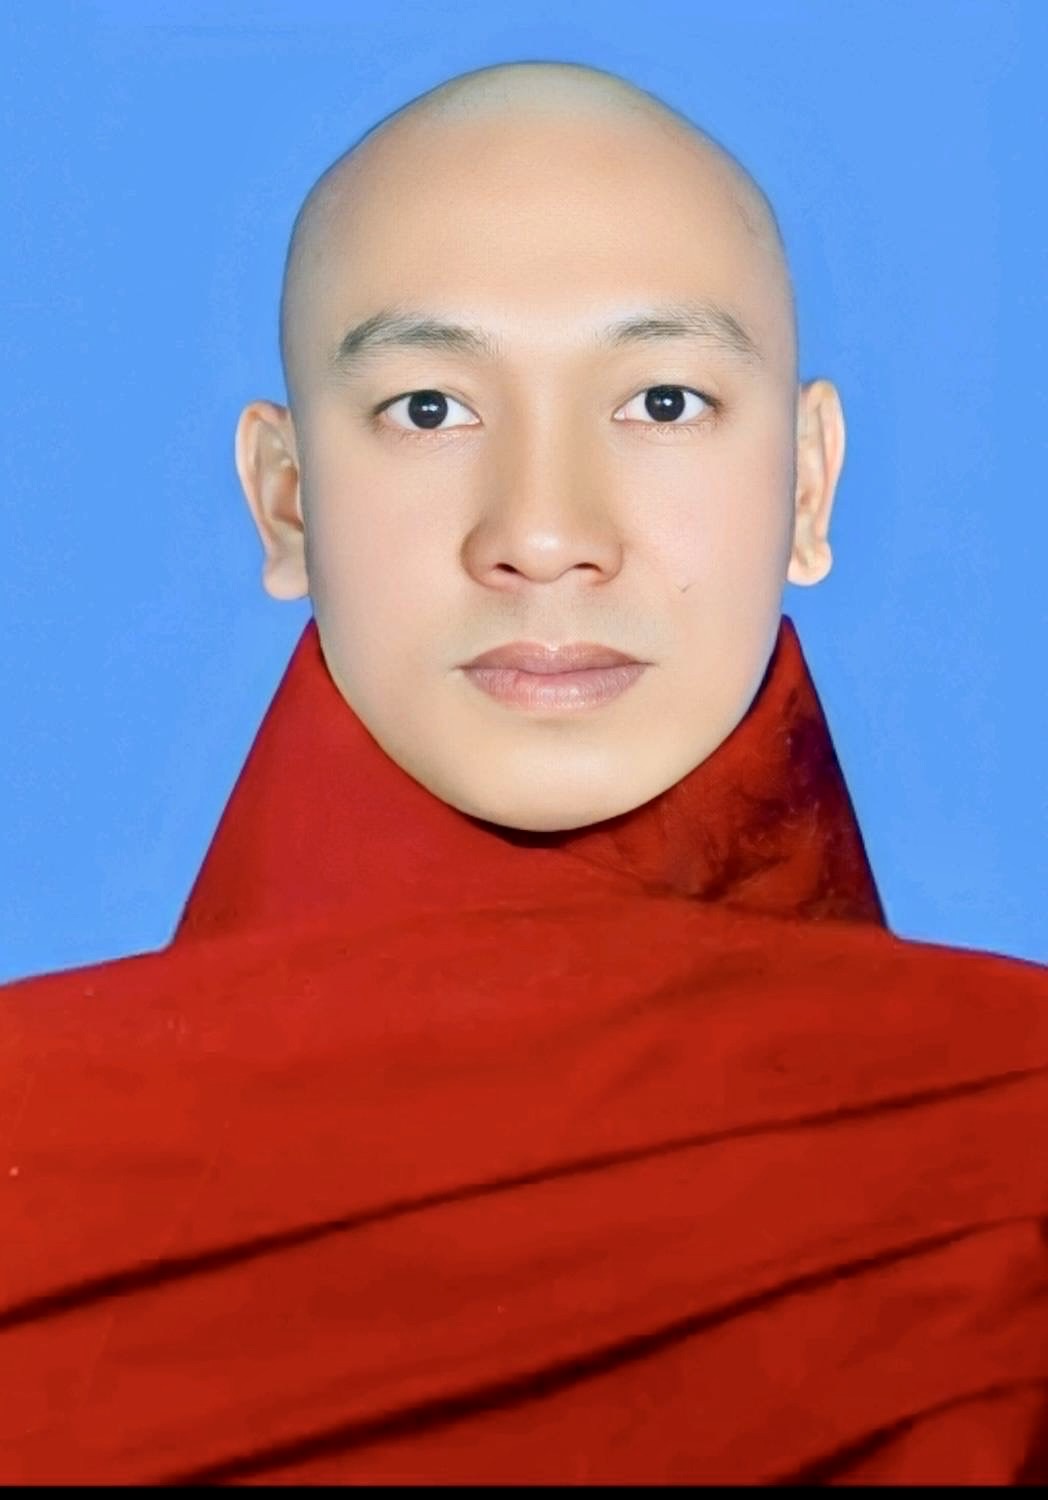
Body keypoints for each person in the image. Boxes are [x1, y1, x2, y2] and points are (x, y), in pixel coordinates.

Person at [2, 60, 1046, 1485]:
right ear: (285, 503)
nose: (545, 536)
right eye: (430, 411)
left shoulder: (1010, 1142)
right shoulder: (37, 1157)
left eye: (663, 401)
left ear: (807, 485)